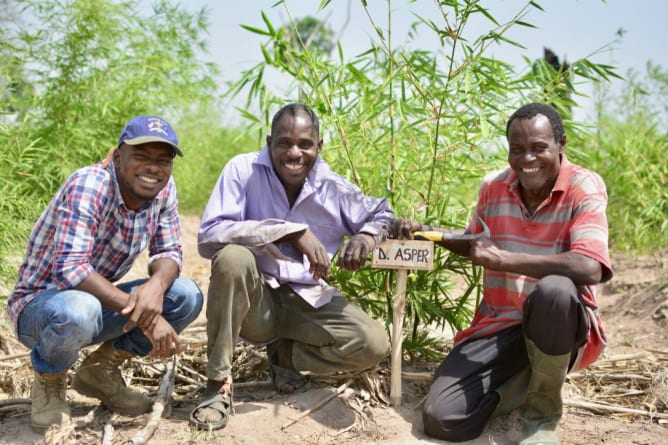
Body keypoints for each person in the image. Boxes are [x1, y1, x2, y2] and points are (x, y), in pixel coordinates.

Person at [395, 102, 612, 444]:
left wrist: (504, 260)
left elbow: (590, 266)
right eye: (518, 149)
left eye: (539, 148)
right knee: (442, 419)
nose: (528, 159)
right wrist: (426, 232)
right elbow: (477, 245)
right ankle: (523, 385)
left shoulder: (583, 187)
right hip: (501, 324)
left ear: (561, 144)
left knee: (554, 290)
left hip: (559, 325)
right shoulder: (493, 187)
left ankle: (542, 416)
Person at [191, 103, 392, 430]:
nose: (294, 152)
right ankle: (217, 386)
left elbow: (382, 214)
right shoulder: (242, 170)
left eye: (305, 144)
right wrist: (290, 230)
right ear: (269, 141)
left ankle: (285, 357)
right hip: (255, 303)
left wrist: (366, 238)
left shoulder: (333, 187)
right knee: (232, 258)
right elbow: (210, 234)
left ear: (319, 146)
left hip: (306, 299)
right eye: (284, 143)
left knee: (372, 343)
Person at [7, 115, 204, 432]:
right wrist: (147, 317)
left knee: (185, 294)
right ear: (117, 156)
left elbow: (169, 252)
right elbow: (72, 268)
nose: (153, 168)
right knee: (79, 309)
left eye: (162, 160)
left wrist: (155, 285)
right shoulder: (90, 185)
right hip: (41, 309)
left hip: (93, 307)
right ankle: (50, 378)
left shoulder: (163, 191)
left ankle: (101, 370)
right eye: (141, 156)